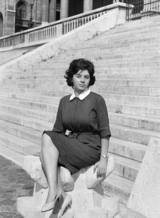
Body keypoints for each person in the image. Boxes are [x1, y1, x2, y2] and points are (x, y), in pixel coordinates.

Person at [39, 58, 111, 217]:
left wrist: (103, 158)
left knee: (46, 140)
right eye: (79, 76)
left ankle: (54, 194)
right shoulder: (64, 101)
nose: (83, 80)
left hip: (91, 147)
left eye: (86, 77)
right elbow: (58, 131)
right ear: (71, 78)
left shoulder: (97, 100)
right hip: (72, 143)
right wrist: (48, 148)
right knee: (45, 145)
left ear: (90, 79)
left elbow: (105, 131)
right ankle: (60, 194)